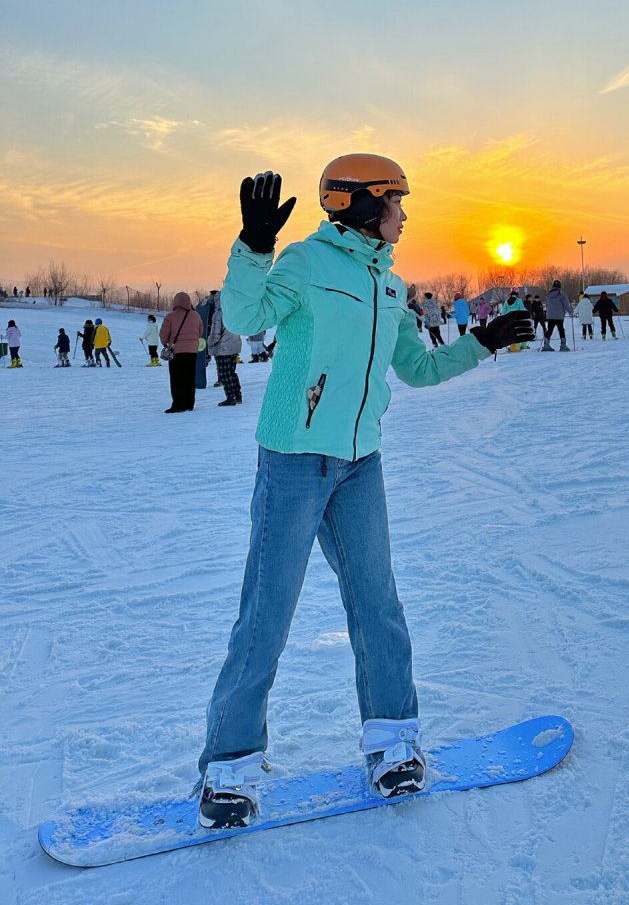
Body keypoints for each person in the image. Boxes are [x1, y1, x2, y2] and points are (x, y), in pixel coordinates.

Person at [195, 157, 533, 829]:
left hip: (360, 464)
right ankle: (229, 769)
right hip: (293, 459)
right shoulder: (304, 263)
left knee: (378, 604)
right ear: (362, 203)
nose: (405, 215)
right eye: (397, 202)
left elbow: (418, 368)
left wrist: (483, 342)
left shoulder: (389, 284)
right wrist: (254, 248)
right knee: (266, 615)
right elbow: (242, 313)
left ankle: (392, 744)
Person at [160, 292, 203, 412]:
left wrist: (166, 343)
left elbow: (163, 334)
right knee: (189, 378)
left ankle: (178, 404)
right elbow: (200, 331)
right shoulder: (196, 315)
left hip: (176, 352)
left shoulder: (170, 316)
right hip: (192, 352)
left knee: (177, 378)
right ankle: (189, 404)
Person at [208, 294, 243, 406]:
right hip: (234, 346)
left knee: (224, 374)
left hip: (222, 348)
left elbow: (215, 334)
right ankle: (238, 395)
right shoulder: (234, 312)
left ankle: (230, 397)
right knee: (231, 372)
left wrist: (210, 344)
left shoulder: (218, 314)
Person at [542, 279, 573, 351]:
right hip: (559, 316)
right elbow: (566, 305)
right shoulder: (562, 294)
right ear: (560, 286)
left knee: (549, 330)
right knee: (561, 329)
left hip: (550, 316)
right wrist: (570, 311)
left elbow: (547, 305)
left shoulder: (548, 295)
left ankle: (546, 345)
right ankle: (563, 345)